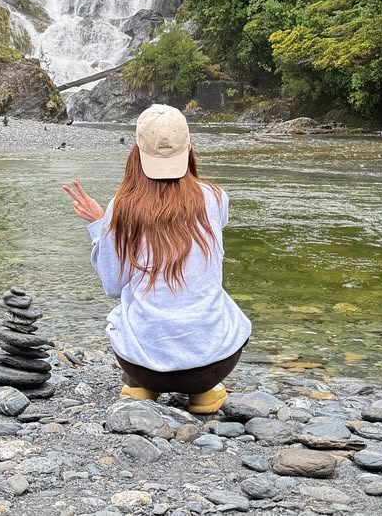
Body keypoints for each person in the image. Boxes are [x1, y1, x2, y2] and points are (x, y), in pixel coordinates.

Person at [63, 104, 251, 414]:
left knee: (125, 313)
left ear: (136, 152)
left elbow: (113, 285)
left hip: (144, 366)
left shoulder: (122, 207)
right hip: (215, 364)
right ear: (189, 148)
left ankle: (142, 389)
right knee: (224, 306)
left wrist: (102, 225)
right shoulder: (216, 197)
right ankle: (204, 394)